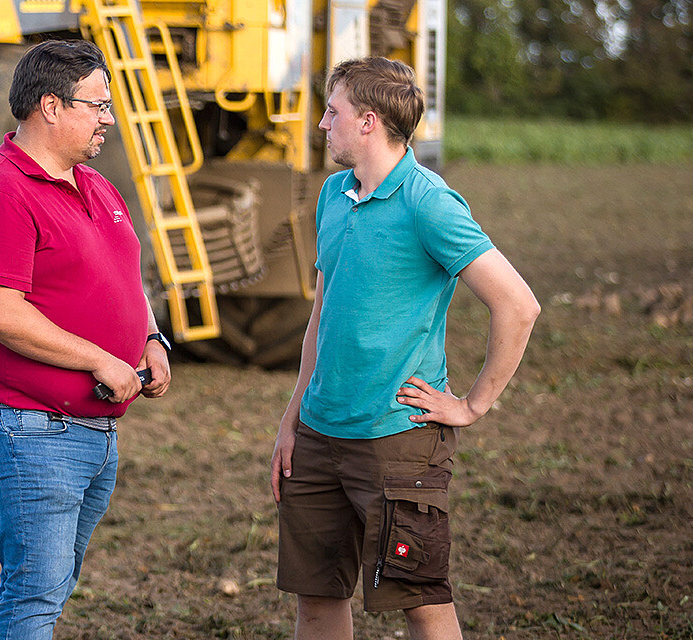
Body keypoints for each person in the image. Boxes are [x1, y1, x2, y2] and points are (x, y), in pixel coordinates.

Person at [269, 56, 541, 640]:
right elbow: (325, 311)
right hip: (318, 436)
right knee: (316, 599)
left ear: (368, 120)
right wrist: (293, 417)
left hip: (398, 441)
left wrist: (470, 406)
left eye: (332, 110)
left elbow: (518, 305)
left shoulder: (430, 204)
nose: (322, 124)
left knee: (421, 603)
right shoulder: (333, 194)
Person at [0, 39, 172, 640]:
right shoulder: (1, 192)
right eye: (96, 106)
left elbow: (123, 274)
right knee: (34, 596)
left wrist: (151, 337)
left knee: (53, 584)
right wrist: (102, 358)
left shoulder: (94, 185)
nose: (107, 119)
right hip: (32, 428)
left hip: (89, 429)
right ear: (50, 106)